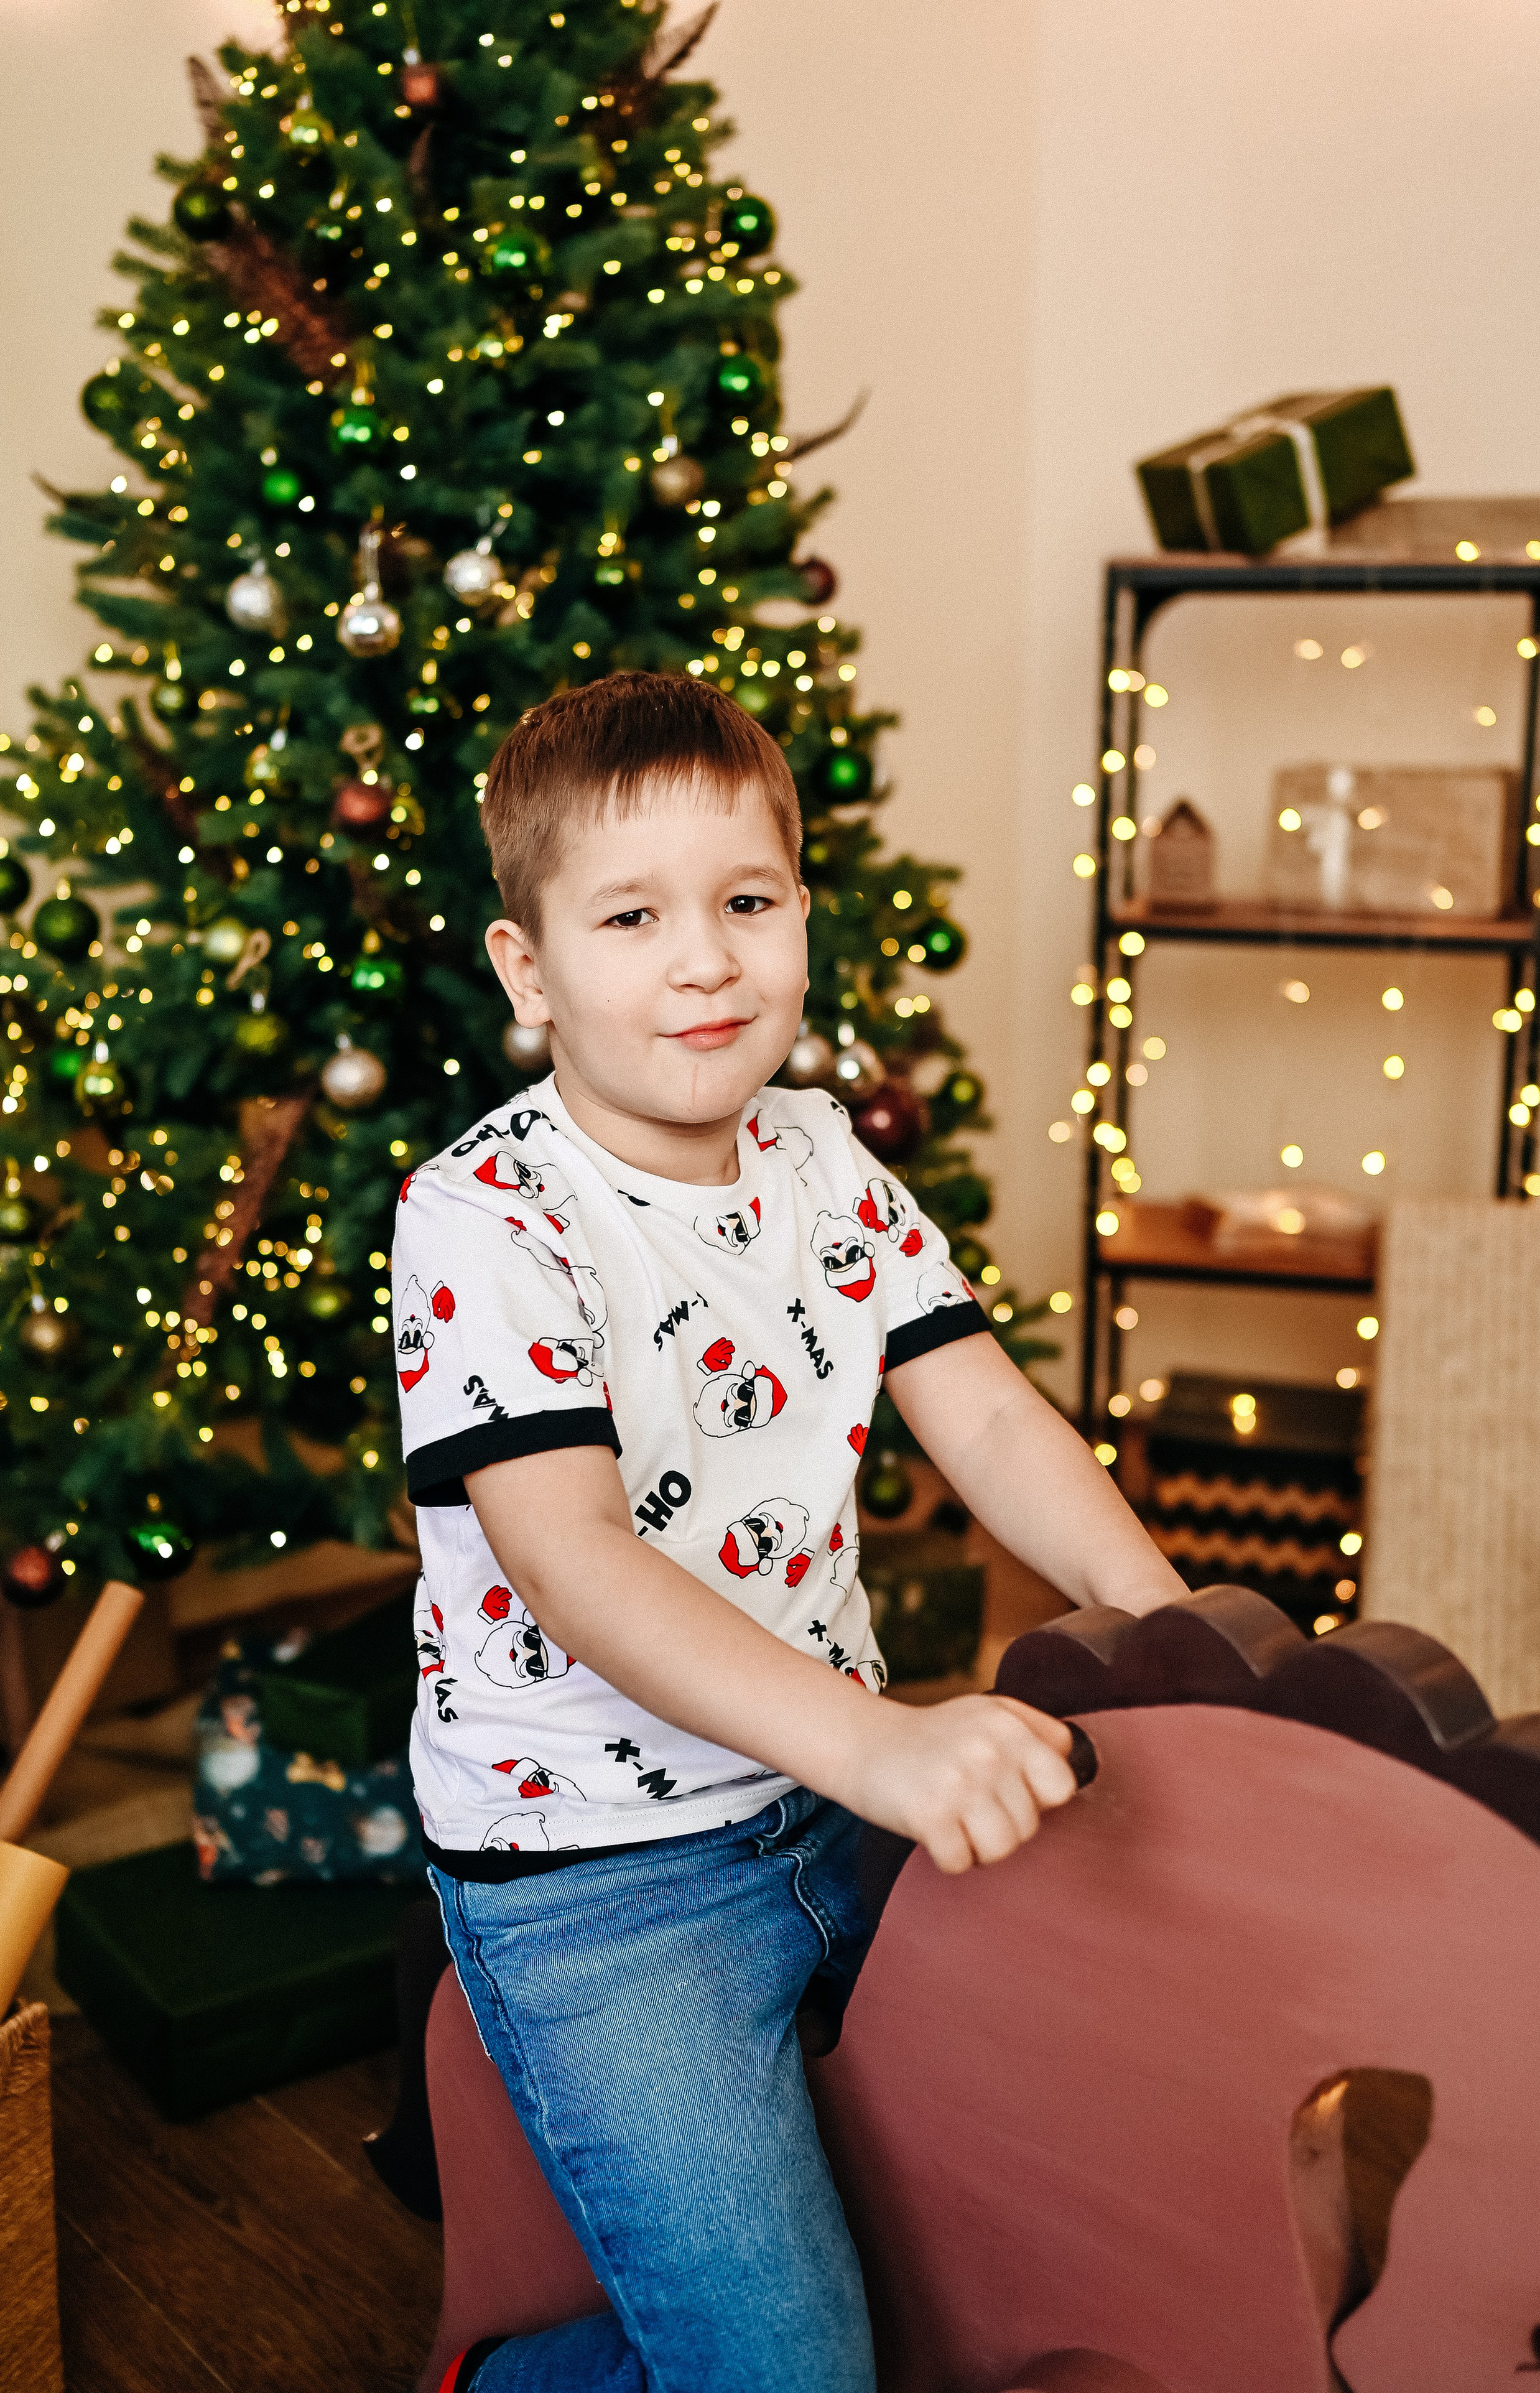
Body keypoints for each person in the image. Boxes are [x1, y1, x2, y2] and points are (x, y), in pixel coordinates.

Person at [392, 672, 1185, 2393]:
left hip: (825, 1798)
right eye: (633, 916)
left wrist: (1165, 1625)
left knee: (1037, 2183)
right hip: (598, 1880)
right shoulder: (486, 1218)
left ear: (802, 921)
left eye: (747, 903)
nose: (706, 960)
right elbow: (576, 1563)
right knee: (792, 2368)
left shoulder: (825, 1161)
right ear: (529, 970)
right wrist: (884, 1753)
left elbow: (979, 1410)